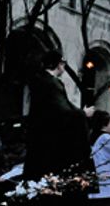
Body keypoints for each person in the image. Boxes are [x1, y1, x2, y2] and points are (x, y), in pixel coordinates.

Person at [24, 50, 93, 180]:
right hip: (51, 141)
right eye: (63, 63)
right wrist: (83, 113)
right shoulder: (51, 83)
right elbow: (62, 112)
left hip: (40, 138)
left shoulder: (40, 80)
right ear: (59, 64)